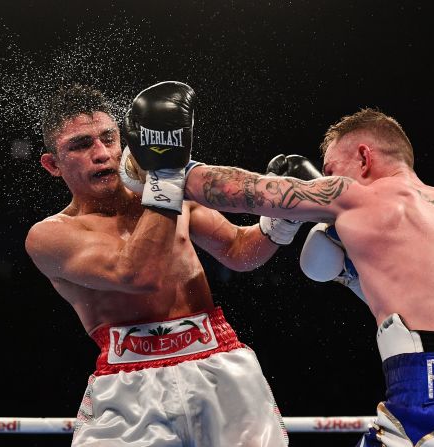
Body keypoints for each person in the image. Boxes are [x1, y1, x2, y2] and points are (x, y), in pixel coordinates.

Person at [169, 103, 434, 446]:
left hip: (432, 396)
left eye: (328, 169)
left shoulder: (353, 195)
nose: (322, 180)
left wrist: (161, 163)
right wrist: (350, 273)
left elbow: (246, 190)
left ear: (363, 157)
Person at [24, 82, 297, 446]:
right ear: (52, 164)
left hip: (219, 363)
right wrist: (166, 178)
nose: (101, 153)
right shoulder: (50, 236)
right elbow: (136, 273)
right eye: (80, 145)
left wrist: (281, 223)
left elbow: (238, 251)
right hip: (127, 386)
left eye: (108, 138)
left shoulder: (166, 191)